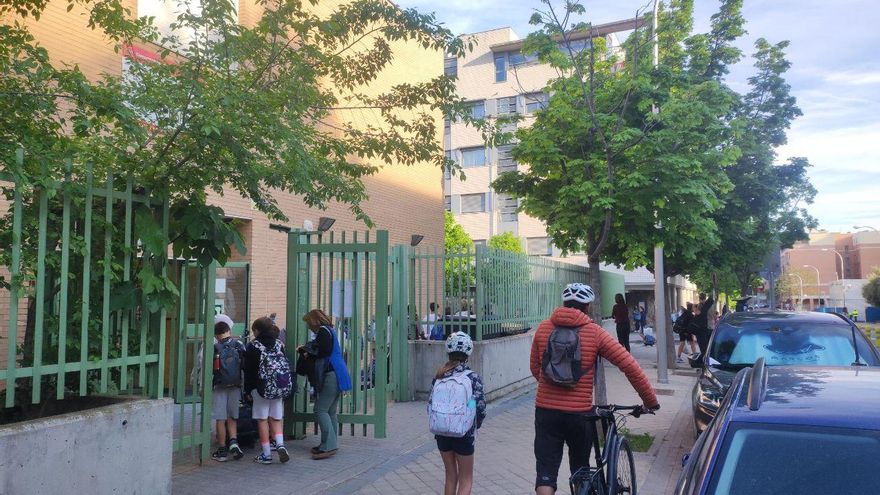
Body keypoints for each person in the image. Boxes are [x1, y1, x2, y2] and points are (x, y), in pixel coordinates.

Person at [530, 283, 660, 494]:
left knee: (546, 472)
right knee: (581, 470)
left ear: (563, 303)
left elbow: (536, 367)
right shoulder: (594, 332)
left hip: (546, 411)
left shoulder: (544, 328)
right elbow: (628, 365)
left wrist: (552, 387)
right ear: (588, 306)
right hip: (579, 415)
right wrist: (650, 400)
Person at [429, 332, 486, 495]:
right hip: (464, 434)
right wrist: (474, 425)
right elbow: (479, 407)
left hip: (441, 433)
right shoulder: (472, 378)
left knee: (450, 476)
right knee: (466, 478)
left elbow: (430, 405)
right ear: (468, 353)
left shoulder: (439, 376)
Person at [301, 309, 353, 460]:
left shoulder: (323, 331)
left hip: (331, 373)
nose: (308, 327)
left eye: (308, 323)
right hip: (339, 371)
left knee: (320, 409)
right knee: (330, 411)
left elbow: (323, 351)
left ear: (313, 321)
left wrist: (307, 352)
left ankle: (328, 446)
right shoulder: (330, 330)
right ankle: (329, 442)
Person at [243, 317, 290, 465]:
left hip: (260, 387)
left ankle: (266, 454)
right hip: (278, 386)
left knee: (262, 419)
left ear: (257, 331)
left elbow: (248, 371)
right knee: (276, 417)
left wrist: (248, 390)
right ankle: (280, 444)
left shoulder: (253, 346)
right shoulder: (278, 344)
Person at [211, 315, 245, 462]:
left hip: (219, 385)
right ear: (229, 331)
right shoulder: (239, 345)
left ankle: (222, 449)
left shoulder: (214, 347)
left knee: (220, 417)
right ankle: (234, 442)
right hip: (236, 385)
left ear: (216, 335)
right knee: (232, 416)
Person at [693, 293, 715, 362]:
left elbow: (699, 313)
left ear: (700, 298)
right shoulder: (711, 305)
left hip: (703, 328)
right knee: (709, 345)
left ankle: (704, 362)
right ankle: (708, 359)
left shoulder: (702, 305)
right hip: (711, 327)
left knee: (703, 347)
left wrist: (694, 308)